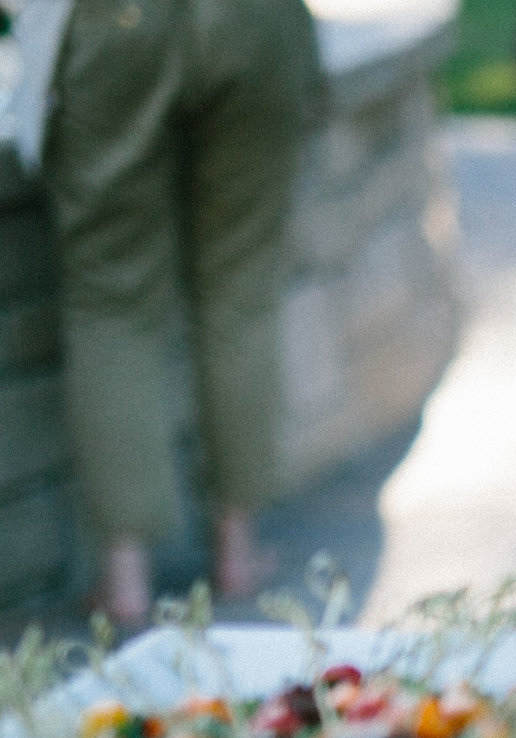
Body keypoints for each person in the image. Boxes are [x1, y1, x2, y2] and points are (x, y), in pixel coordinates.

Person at [4, 0, 321, 623]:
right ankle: (237, 547)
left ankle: (126, 581)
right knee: (241, 285)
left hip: (111, 19)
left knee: (111, 300)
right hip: (256, 20)